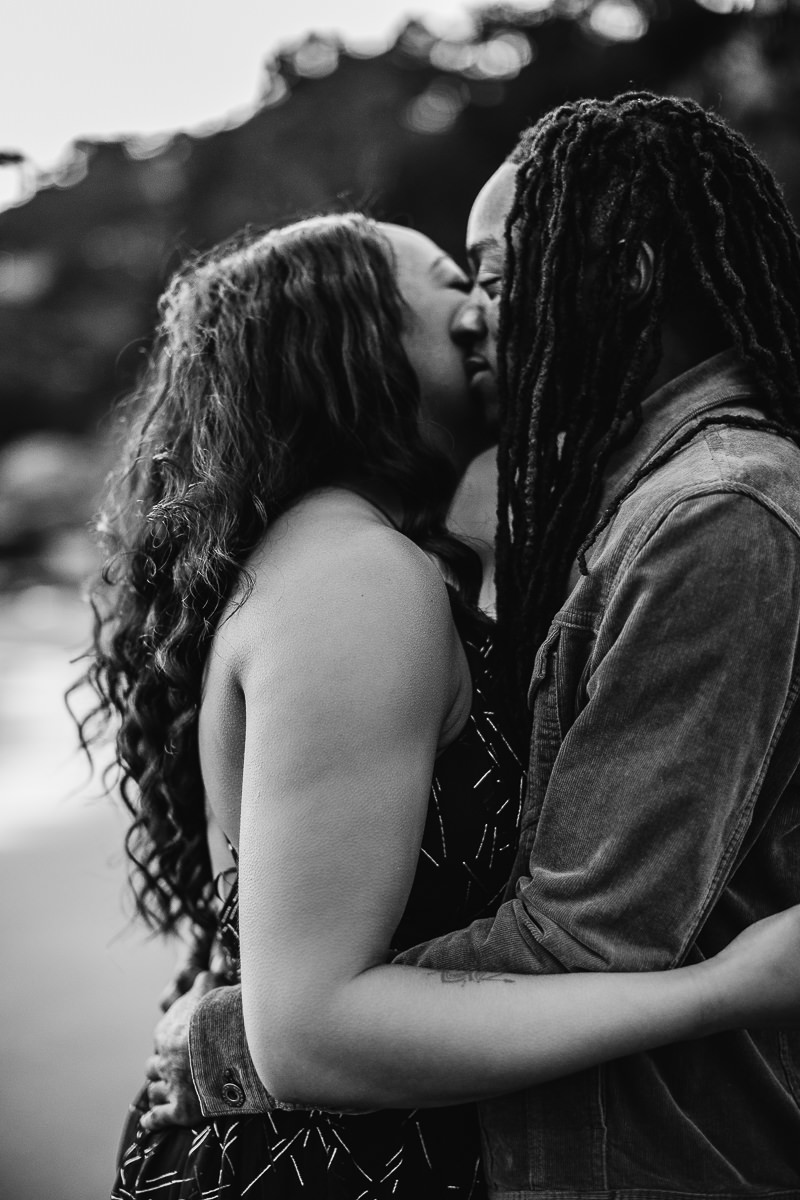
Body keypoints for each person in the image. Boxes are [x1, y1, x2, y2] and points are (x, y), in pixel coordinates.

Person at [141, 93, 800, 1195]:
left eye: (491, 277)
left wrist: (234, 1036)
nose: (475, 320)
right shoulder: (381, 569)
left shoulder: (710, 514)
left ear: (629, 273)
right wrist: (255, 1030)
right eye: (458, 286)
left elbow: (583, 935)